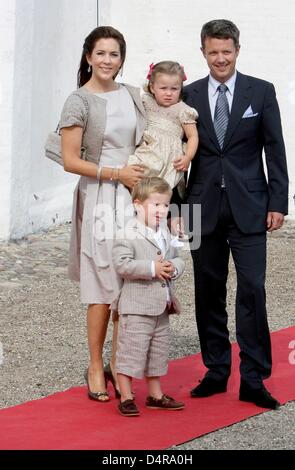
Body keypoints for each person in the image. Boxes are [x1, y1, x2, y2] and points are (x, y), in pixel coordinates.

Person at [183, 19, 289, 409]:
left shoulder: (261, 91)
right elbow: (176, 160)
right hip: (199, 207)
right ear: (204, 52)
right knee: (206, 292)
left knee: (253, 290)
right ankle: (215, 370)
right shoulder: (187, 94)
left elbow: (274, 149)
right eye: (214, 52)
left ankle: (254, 377)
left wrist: (279, 202)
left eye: (227, 51)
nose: (221, 58)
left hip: (252, 206)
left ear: (237, 50)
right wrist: (178, 211)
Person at [60, 26, 146, 402]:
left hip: (134, 197)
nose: (107, 61)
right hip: (99, 195)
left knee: (128, 282)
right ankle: (95, 365)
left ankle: (117, 362)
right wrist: (116, 174)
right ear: (88, 57)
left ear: (121, 59)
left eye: (114, 54)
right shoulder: (78, 100)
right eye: (101, 54)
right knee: (102, 285)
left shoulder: (132, 95)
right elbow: (69, 160)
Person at [112, 177, 185, 416]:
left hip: (162, 306)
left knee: (158, 352)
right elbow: (122, 265)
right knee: (131, 351)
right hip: (136, 306)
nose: (161, 210)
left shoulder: (165, 232)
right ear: (137, 204)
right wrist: (152, 268)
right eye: (155, 205)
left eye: (165, 205)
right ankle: (126, 395)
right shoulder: (126, 232)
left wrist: (173, 267)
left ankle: (155, 394)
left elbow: (178, 258)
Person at [128, 61, 199, 194]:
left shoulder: (183, 110)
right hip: (147, 152)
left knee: (165, 192)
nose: (168, 93)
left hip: (169, 159)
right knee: (139, 182)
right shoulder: (146, 102)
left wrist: (188, 157)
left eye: (174, 89)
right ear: (152, 87)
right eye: (163, 88)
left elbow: (192, 136)